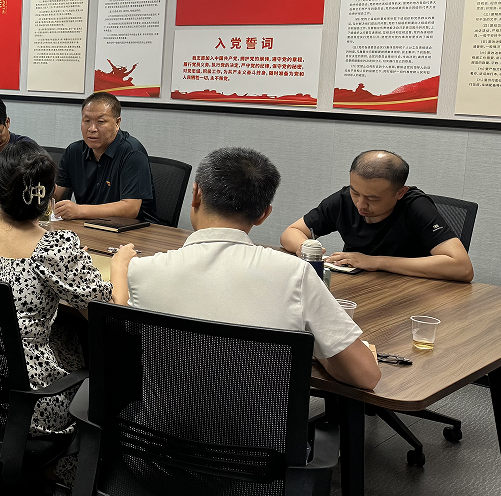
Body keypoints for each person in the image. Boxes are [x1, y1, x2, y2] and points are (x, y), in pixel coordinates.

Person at [111, 147, 381, 390]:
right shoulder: (295, 274)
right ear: (264, 214)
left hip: (158, 427)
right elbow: (366, 376)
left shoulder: (143, 271)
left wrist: (122, 268)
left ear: (195, 195)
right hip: (264, 431)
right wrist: (320, 348)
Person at [0, 140, 112, 486]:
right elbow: (107, 314)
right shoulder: (54, 249)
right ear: (49, 195)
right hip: (25, 402)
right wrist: (123, 264)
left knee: (65, 339)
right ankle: (63, 485)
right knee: (95, 367)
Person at [280, 150, 474, 283]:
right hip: (358, 288)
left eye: (373, 198)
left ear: (400, 192)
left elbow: (462, 267)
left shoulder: (416, 206)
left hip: (411, 294)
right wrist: (305, 248)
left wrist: (375, 261)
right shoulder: (344, 199)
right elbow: (292, 232)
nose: (360, 204)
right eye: (355, 192)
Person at [53, 92, 158, 223]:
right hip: (90, 225)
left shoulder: (132, 153)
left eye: (100, 122)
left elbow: (131, 209)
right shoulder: (74, 151)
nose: (92, 129)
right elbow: (55, 195)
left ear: (117, 123)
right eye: (87, 121)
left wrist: (79, 210)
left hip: (135, 229)